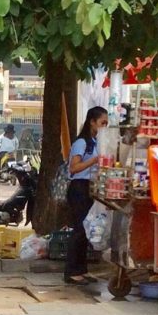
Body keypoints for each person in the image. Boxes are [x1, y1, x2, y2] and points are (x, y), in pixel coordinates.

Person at [64, 106, 108, 285]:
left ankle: (82, 269)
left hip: (90, 187)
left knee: (86, 230)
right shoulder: (81, 143)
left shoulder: (95, 141)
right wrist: (94, 160)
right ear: (92, 122)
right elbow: (74, 168)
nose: (104, 126)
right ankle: (71, 272)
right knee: (79, 229)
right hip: (79, 188)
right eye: (102, 123)